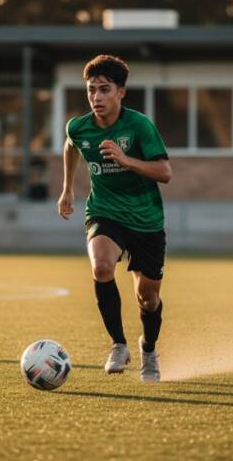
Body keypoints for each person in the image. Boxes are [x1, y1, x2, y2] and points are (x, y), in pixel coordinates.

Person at [57, 55, 172, 382]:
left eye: (104, 90)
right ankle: (118, 344)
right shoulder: (79, 127)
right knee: (102, 266)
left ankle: (148, 350)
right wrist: (67, 189)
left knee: (148, 299)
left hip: (146, 220)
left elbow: (165, 172)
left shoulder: (139, 126)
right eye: (91, 90)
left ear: (121, 92)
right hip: (105, 212)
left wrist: (125, 159)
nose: (96, 97)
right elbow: (71, 146)